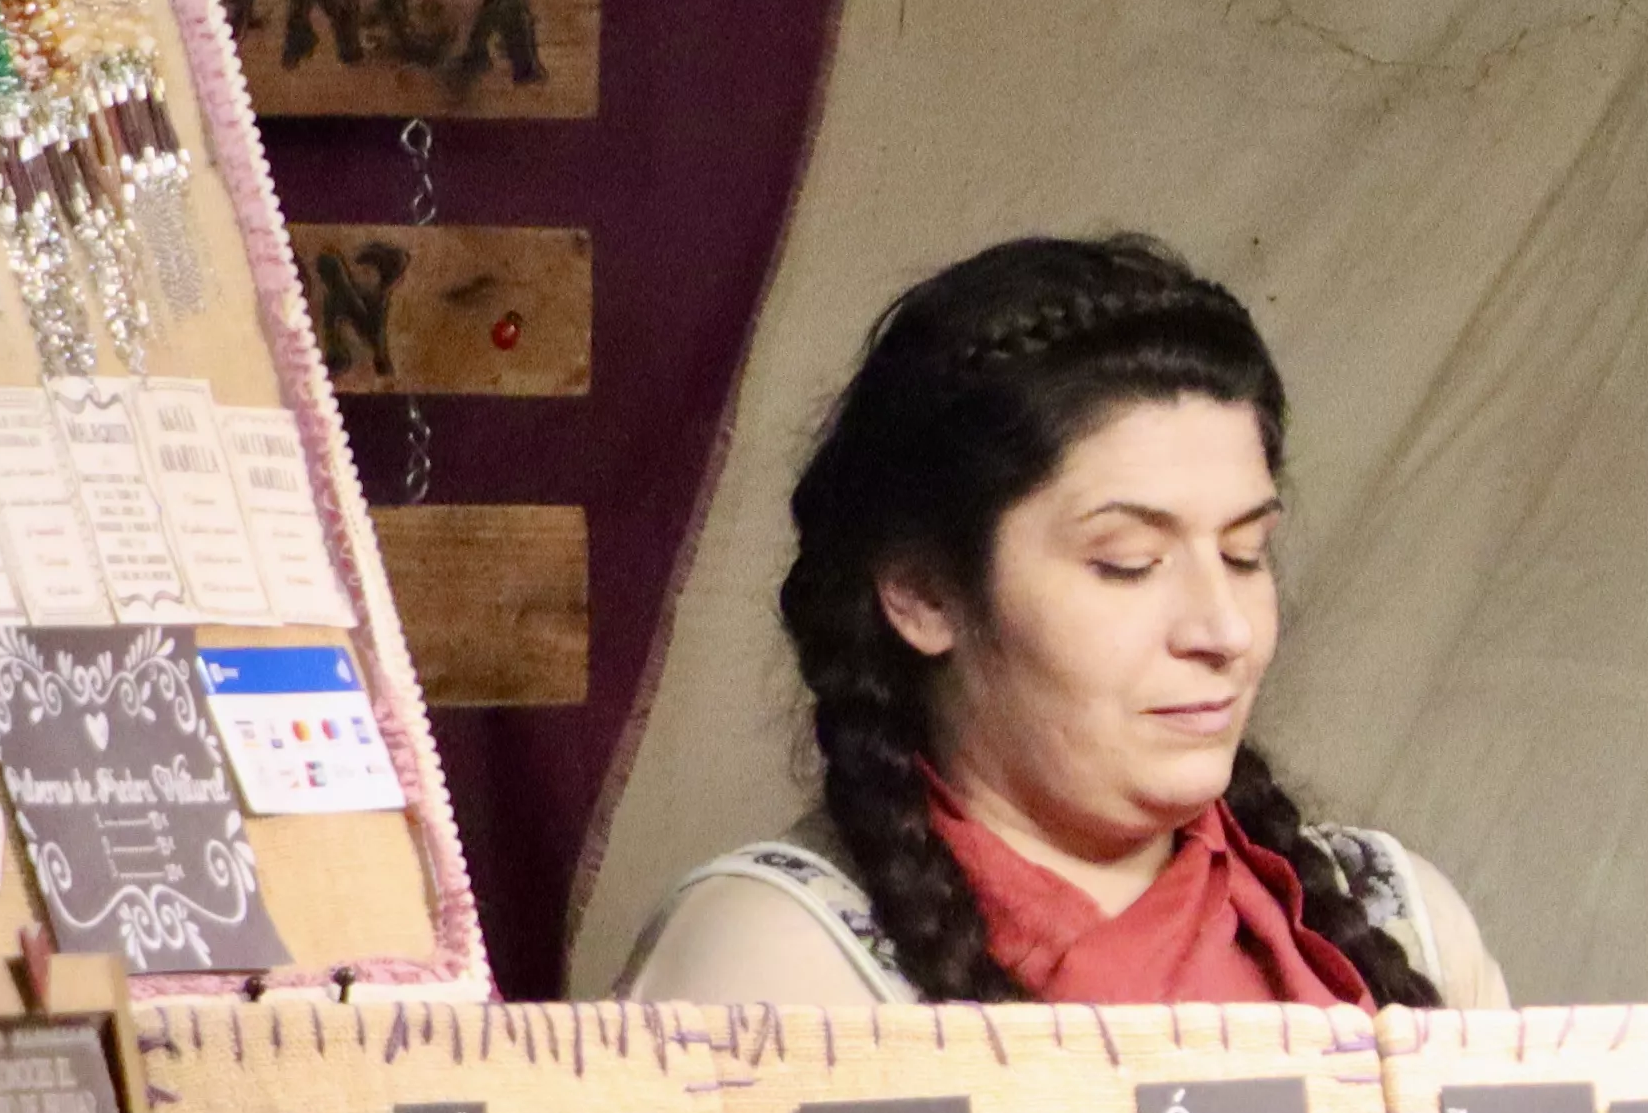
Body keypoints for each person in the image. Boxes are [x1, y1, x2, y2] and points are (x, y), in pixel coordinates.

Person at [617, 234, 1509, 1008]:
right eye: (1128, 563)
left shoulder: (1400, 930)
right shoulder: (777, 961)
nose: (1223, 630)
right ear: (924, 593)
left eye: (1245, 554)